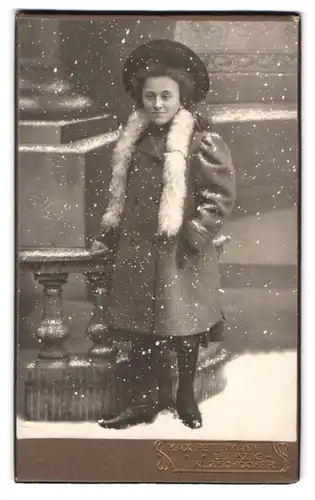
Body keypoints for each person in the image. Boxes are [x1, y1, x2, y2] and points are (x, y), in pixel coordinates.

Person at [92, 39, 236, 430]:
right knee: (139, 331)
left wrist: (193, 236)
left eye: (166, 96)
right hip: (138, 250)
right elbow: (120, 196)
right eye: (150, 96)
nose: (157, 104)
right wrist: (109, 233)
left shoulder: (200, 141)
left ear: (181, 98)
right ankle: (143, 402)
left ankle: (184, 397)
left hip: (181, 253)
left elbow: (218, 197)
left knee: (182, 328)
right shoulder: (133, 141)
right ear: (141, 99)